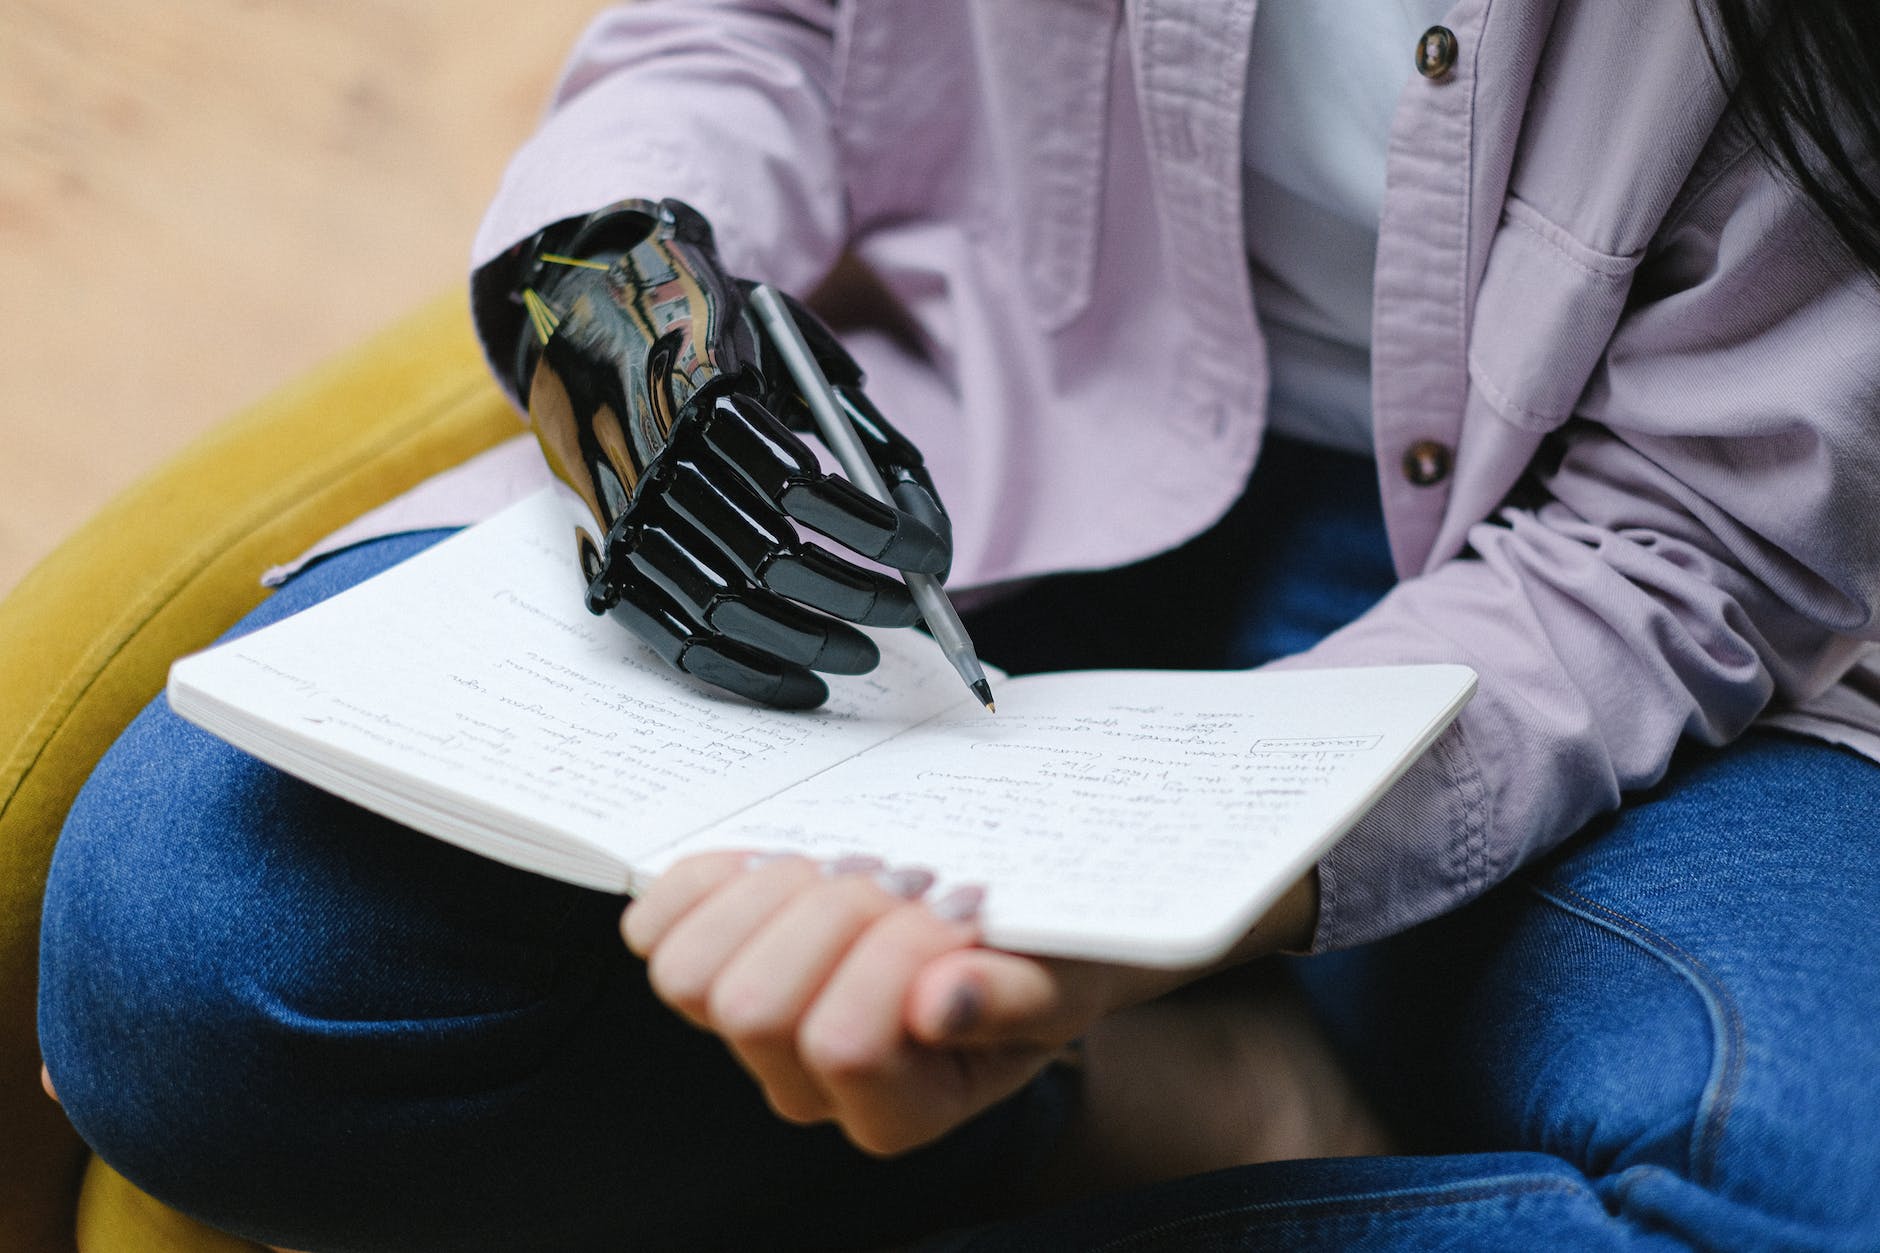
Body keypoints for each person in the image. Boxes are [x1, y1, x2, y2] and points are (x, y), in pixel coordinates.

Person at [37, 1, 1880, 1249]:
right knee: (188, 961)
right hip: (954, 466)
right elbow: (744, 27)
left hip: (1618, 646)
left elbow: (1697, 546)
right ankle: (1181, 1112)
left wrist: (1167, 869)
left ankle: (1216, 1074)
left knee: (1816, 1194)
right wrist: (613, 279)